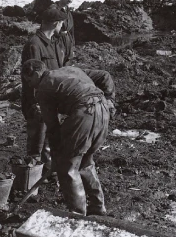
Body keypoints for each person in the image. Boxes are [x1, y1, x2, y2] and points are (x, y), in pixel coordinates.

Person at [22, 60, 115, 216]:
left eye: (29, 80)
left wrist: (57, 156)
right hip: (103, 110)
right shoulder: (70, 70)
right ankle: (97, 207)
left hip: (84, 114)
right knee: (86, 161)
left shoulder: (43, 88)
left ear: (37, 74)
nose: (31, 85)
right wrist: (111, 99)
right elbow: (103, 76)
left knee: (68, 167)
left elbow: (52, 127)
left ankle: (77, 214)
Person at [21, 6, 67, 166]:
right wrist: (36, 104)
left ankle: (48, 174)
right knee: (36, 146)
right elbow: (32, 78)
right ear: (56, 23)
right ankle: (31, 182)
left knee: (50, 141)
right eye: (61, 23)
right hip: (39, 103)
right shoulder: (34, 45)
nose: (62, 27)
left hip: (52, 101)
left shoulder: (54, 43)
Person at [55, 0, 78, 64]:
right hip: (56, 41)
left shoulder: (68, 12)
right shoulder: (53, 9)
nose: (70, 0)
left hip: (67, 41)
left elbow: (71, 31)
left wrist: (73, 48)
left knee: (67, 62)